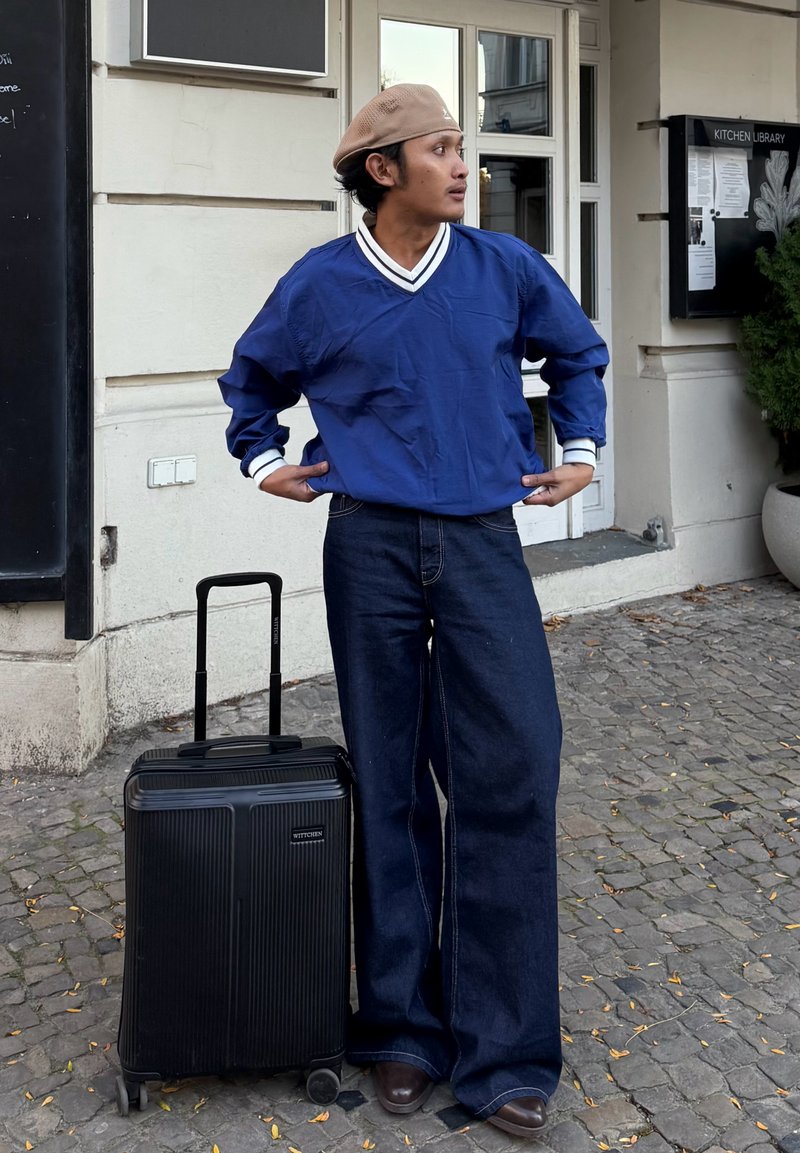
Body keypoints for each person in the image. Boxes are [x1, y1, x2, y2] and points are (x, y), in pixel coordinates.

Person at [219, 84, 608, 1138]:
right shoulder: (322, 284)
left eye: (462, 149)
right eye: (441, 149)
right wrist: (265, 460)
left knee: (511, 771)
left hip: (483, 544)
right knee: (390, 780)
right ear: (381, 169)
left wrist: (576, 450)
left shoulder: (502, 269)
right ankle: (399, 1028)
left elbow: (575, 355)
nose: (461, 167)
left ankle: (506, 1050)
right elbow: (250, 382)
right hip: (371, 546)